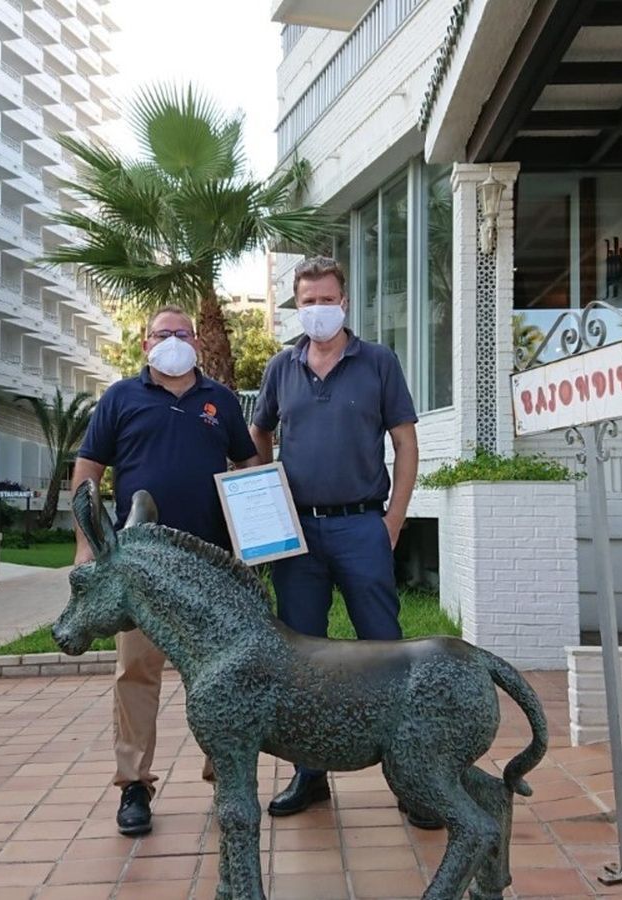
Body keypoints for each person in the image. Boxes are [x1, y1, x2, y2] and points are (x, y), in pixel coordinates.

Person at [249, 256, 429, 825]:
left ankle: (415, 777)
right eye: (308, 301)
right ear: (296, 306)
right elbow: (260, 430)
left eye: (327, 299)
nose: (318, 309)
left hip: (361, 527)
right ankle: (310, 775)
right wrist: (263, 503)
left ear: (344, 301)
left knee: (386, 650)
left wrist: (393, 521)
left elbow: (406, 445)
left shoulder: (378, 361)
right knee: (303, 658)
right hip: (296, 534)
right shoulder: (281, 367)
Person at [71, 307, 259, 837]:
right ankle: (134, 784)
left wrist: (261, 529)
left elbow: (247, 466)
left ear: (196, 342)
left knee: (218, 676)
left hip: (209, 567)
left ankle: (223, 777)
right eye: (162, 334)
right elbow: (88, 471)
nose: (172, 342)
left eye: (181, 334)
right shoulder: (120, 399)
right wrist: (86, 543)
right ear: (143, 343)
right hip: (140, 567)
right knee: (136, 672)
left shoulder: (220, 400)